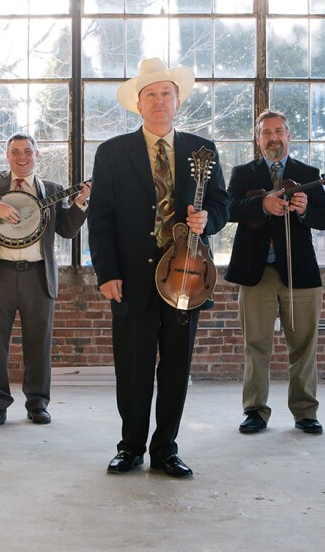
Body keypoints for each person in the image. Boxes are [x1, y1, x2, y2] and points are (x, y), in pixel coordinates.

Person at [88, 58, 230, 478]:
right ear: (138, 103)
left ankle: (165, 447)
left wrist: (211, 221)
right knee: (132, 365)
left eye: (166, 93)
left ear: (178, 100)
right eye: (150, 94)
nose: (159, 101)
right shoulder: (111, 153)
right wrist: (106, 272)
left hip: (185, 276)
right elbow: (100, 219)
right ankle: (130, 445)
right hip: (130, 278)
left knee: (175, 366)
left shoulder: (203, 152)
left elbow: (221, 203)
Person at [0, 133, 89, 427]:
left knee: (38, 342)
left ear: (36, 154)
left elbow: (66, 231)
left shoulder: (51, 189)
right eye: (15, 151)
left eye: (27, 151)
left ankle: (38, 403)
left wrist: (80, 203)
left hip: (37, 275)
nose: (22, 156)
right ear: (7, 155)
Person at [225, 110, 325, 436]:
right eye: (266, 133)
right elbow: (228, 210)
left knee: (303, 345)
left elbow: (324, 219)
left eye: (279, 132)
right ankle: (255, 411)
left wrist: (303, 210)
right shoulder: (243, 173)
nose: (273, 138)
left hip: (299, 272)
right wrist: (262, 206)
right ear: (258, 139)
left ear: (289, 135)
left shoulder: (308, 173)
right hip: (255, 272)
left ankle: (305, 412)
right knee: (256, 345)